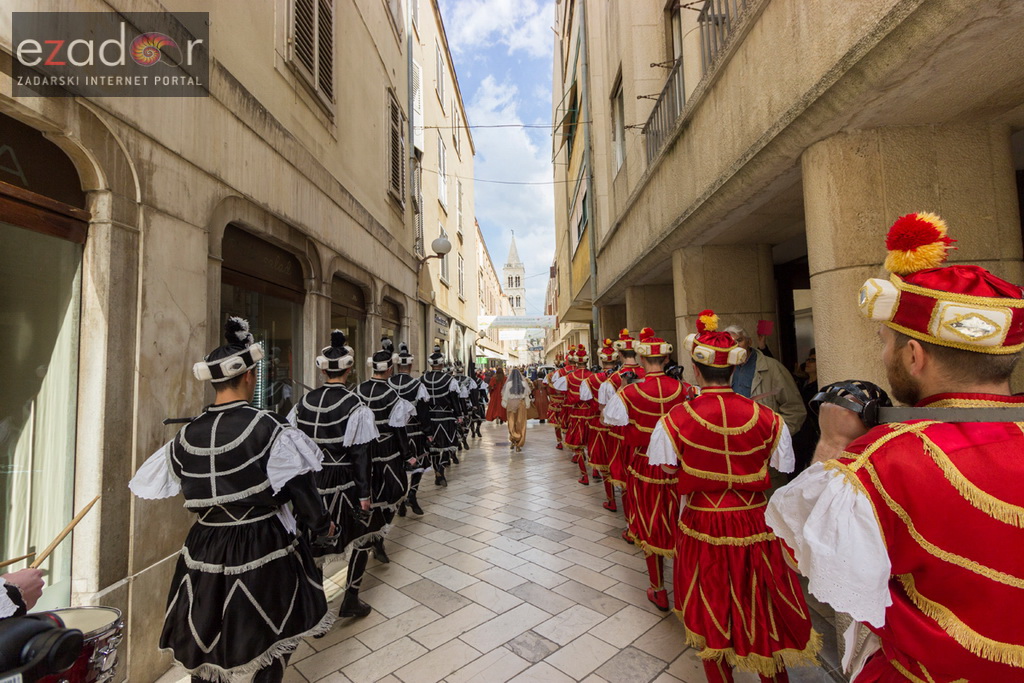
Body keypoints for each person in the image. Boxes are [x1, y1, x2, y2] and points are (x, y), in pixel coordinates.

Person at [766, 212, 1024, 683]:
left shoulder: (885, 459)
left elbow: (801, 555)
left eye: (884, 342)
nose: (884, 354)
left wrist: (834, 442)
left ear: (913, 355)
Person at [130, 317, 333, 683]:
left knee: (207, 631)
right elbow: (304, 494)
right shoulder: (270, 428)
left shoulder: (184, 436)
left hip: (205, 544)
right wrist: (322, 526)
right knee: (275, 631)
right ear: (249, 377)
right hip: (262, 541)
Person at [648, 310, 820, 683]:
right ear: (734, 368)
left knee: (710, 605)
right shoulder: (768, 418)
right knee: (761, 601)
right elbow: (782, 465)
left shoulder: (675, 419)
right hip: (755, 520)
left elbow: (667, 471)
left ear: (696, 371)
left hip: (702, 522)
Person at [288, 330, 380, 618]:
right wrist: (364, 494)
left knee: (312, 543)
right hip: (344, 483)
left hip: (310, 483)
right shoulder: (356, 406)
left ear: (323, 370)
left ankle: (317, 605)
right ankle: (350, 598)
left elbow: (293, 447)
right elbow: (361, 455)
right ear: (349, 370)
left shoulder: (303, 403)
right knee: (362, 537)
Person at [602, 327, 692, 611]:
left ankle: (659, 588)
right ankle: (684, 588)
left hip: (645, 464)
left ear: (641, 360)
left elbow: (612, 422)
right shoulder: (686, 389)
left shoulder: (630, 392)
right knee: (682, 524)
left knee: (651, 524)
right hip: (679, 465)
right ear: (666, 360)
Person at [354, 339, 416, 566]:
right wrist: (408, 454)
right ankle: (378, 536)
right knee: (394, 494)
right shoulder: (392, 394)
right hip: (387, 454)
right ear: (390, 369)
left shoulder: (356, 391)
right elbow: (399, 430)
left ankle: (372, 535)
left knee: (368, 495)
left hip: (361, 454)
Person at [600, 329, 647, 524]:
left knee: (626, 477)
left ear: (619, 354)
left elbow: (604, 415)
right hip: (647, 434)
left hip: (621, 435)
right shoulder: (648, 374)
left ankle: (630, 522)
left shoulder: (611, 380)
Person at [725, 325, 806, 435]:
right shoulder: (724, 369)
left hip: (764, 438)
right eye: (730, 342)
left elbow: (795, 410)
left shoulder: (772, 367)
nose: (736, 346)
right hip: (735, 437)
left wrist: (776, 436)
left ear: (749, 342)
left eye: (739, 340)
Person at [388, 342, 431, 517]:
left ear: (397, 366)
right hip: (413, 432)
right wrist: (428, 432)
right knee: (417, 464)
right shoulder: (417, 385)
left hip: (392, 434)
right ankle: (412, 493)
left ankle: (400, 499)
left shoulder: (387, 384)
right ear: (411, 366)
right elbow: (423, 412)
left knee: (398, 466)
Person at [581, 339, 618, 508]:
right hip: (622, 426)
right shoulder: (626, 377)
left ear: (601, 360)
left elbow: (585, 398)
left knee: (604, 462)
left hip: (600, 423)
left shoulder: (592, 380)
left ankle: (611, 500)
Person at [421, 346, 463, 487]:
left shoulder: (422, 379)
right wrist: (459, 415)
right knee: (447, 446)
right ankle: (440, 469)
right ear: (442, 363)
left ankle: (437, 472)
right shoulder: (449, 380)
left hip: (429, 418)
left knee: (433, 448)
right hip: (446, 416)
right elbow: (455, 400)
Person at [556, 345, 596, 484]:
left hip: (577, 413)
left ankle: (584, 476)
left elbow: (558, 388)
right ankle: (595, 471)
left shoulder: (569, 377)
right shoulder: (593, 376)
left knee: (578, 445)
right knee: (592, 443)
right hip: (591, 413)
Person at [790, 348, 819, 477]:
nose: (808, 362)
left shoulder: (818, 387)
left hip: (811, 433)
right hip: (798, 432)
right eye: (808, 359)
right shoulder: (801, 383)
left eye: (813, 360)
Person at [501, 368, 533, 452]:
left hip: (511, 404)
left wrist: (504, 403)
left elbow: (505, 396)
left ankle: (513, 440)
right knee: (521, 423)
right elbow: (526, 395)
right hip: (521, 404)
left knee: (511, 423)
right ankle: (519, 444)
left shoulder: (509, 384)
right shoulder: (524, 383)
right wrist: (527, 404)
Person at [544, 358, 567, 448]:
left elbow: (545, 384)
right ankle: (568, 441)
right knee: (568, 422)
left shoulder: (550, 375)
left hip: (554, 402)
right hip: (566, 402)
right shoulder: (570, 374)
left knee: (557, 424)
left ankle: (559, 441)